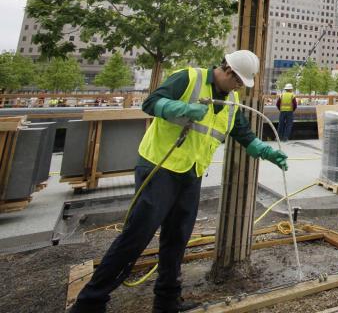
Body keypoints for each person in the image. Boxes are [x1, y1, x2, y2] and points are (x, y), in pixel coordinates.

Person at [68, 51, 289, 313]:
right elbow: (151, 102)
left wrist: (264, 151)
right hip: (159, 167)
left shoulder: (231, 100)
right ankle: (89, 303)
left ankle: (167, 302)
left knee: (177, 239)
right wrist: (181, 108)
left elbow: (243, 134)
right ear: (228, 70)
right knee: (136, 236)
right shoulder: (188, 78)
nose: (239, 87)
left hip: (191, 173)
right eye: (239, 81)